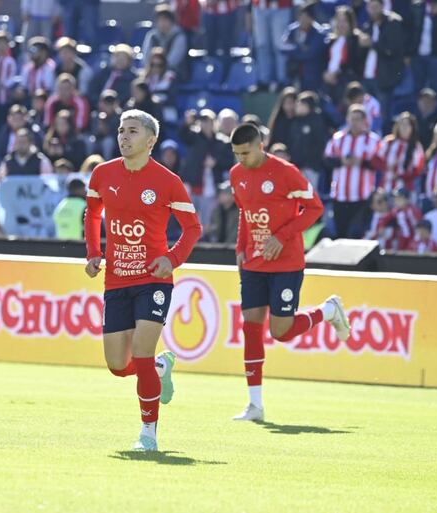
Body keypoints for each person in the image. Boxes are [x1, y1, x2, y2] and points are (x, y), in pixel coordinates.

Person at [84, 109, 202, 451]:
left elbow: (193, 228)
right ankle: (162, 366)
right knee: (118, 366)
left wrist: (172, 258)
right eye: (121, 130)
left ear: (150, 141)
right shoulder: (102, 174)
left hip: (154, 280)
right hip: (116, 281)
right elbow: (92, 213)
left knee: (142, 352)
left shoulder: (167, 181)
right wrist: (94, 252)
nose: (124, 137)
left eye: (132, 131)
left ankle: (147, 435)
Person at [228, 122, 350, 422]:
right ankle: (255, 405)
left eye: (245, 153)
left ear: (260, 146)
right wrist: (241, 246)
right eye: (236, 154)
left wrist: (281, 236)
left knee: (280, 331)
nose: (240, 159)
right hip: (255, 261)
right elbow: (245, 212)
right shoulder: (236, 175)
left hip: (286, 262)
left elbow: (315, 208)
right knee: (251, 326)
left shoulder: (285, 172)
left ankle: (328, 311)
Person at [323, 105, 381, 238]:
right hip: (340, 195)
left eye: (358, 119)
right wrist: (342, 161)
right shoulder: (338, 138)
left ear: (364, 121)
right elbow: (327, 160)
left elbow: (379, 163)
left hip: (363, 196)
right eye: (352, 119)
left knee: (357, 234)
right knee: (340, 234)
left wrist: (361, 162)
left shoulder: (373, 140)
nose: (354, 123)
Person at [359, 0, 405, 129]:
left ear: (382, 6)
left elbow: (393, 50)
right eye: (370, 7)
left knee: (382, 115)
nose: (373, 10)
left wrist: (372, 44)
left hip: (383, 79)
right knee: (365, 113)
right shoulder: (368, 25)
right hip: (367, 76)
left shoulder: (393, 22)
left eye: (376, 7)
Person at [280, 1, 328, 92]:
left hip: (312, 78)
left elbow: (311, 53)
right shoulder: (292, 30)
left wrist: (294, 51)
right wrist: (299, 49)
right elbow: (283, 48)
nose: (302, 20)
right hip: (294, 75)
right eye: (301, 16)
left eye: (305, 17)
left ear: (311, 19)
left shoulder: (319, 34)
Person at [375, 112, 425, 193]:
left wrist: (401, 176)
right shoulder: (388, 142)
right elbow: (375, 159)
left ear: (412, 128)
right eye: (402, 124)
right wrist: (387, 167)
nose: (404, 127)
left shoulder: (416, 146)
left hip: (406, 191)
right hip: (386, 188)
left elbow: (418, 170)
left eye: (407, 125)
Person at [323, 6, 364, 104]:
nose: (341, 24)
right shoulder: (331, 41)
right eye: (338, 20)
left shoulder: (356, 40)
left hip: (345, 84)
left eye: (344, 21)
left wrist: (336, 74)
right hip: (328, 84)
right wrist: (325, 74)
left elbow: (354, 63)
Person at [250, 0, 292, 91]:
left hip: (281, 6)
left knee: (280, 45)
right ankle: (264, 81)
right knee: (262, 45)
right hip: (259, 6)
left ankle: (282, 81)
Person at [141, 3, 187, 74]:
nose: (162, 23)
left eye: (165, 19)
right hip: (152, 72)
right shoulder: (151, 35)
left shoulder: (179, 36)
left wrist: (159, 69)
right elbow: (146, 57)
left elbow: (173, 60)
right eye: (159, 20)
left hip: (174, 73)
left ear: (172, 21)